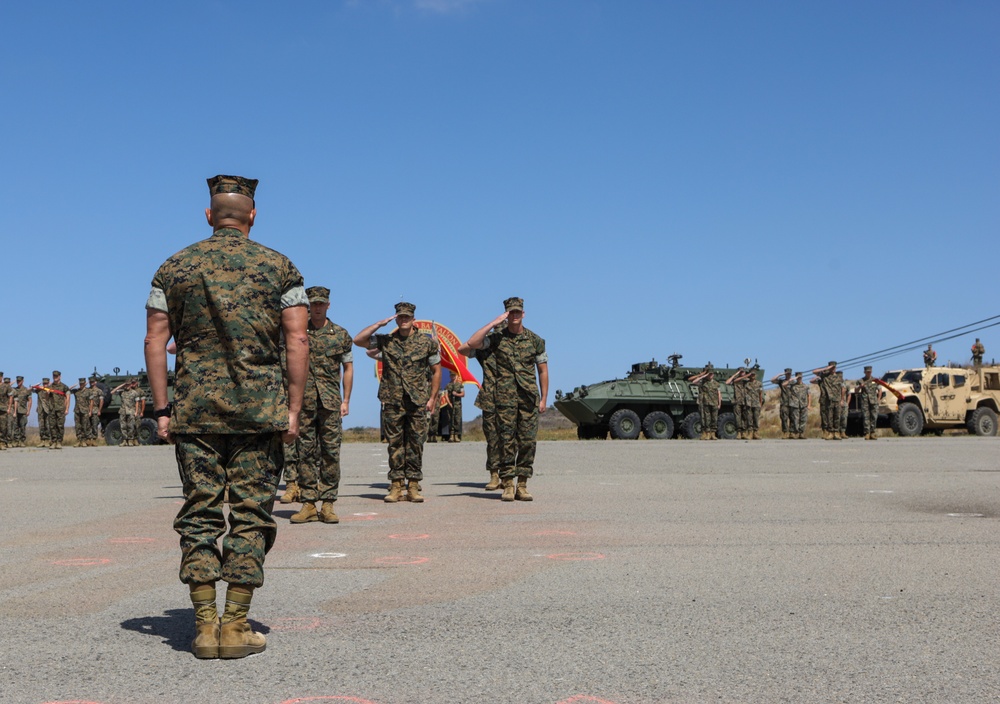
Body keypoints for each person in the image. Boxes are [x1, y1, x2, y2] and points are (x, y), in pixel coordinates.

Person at [144, 174, 309, 660]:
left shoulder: (173, 267)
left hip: (195, 412)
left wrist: (162, 410)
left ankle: (202, 625)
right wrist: (293, 409)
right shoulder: (280, 268)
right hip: (260, 413)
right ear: (252, 216)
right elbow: (297, 340)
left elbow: (155, 341)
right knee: (251, 514)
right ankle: (235, 626)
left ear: (209, 215)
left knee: (200, 515)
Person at [459, 297, 547, 501]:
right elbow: (469, 345)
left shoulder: (535, 340)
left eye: (518, 312)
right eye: (510, 313)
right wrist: (493, 323)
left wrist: (543, 399)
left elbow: (542, 370)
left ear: (523, 314)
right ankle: (507, 484)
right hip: (503, 399)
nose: (514, 316)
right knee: (505, 441)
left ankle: (522, 484)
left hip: (528, 398)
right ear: (506, 315)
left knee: (527, 442)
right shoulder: (495, 339)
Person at [354, 302, 441, 503]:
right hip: (392, 399)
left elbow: (436, 371)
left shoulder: (427, 343)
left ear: (413, 319)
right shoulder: (387, 340)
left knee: (416, 443)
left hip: (417, 400)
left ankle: (413, 485)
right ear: (396, 318)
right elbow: (358, 340)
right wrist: (379, 324)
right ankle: (396, 486)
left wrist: (433, 398)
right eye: (400, 317)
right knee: (395, 444)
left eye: (407, 317)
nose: (403, 320)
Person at [290, 286, 354, 525]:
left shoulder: (340, 335)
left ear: (328, 305)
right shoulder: (297, 332)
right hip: (302, 402)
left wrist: (346, 400)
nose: (317, 308)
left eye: (321, 303)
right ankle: (308, 502)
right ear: (308, 305)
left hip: (329, 402)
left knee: (330, 452)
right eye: (313, 304)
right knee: (304, 452)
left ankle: (328, 503)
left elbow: (348, 368)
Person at [688, 364, 720, 440]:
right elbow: (692, 380)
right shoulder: (702, 382)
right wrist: (702, 375)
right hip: (705, 402)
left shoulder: (716, 383)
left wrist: (719, 403)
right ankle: (705, 433)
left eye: (712, 374)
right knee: (705, 419)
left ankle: (713, 434)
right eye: (709, 374)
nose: (710, 375)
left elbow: (719, 394)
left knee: (714, 419)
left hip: (714, 403)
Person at [811, 361, 842, 440]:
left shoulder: (839, 377)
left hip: (837, 399)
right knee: (829, 417)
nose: (833, 369)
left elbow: (841, 389)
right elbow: (814, 371)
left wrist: (841, 399)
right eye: (831, 367)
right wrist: (826, 369)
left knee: (837, 416)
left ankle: (837, 432)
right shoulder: (824, 375)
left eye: (834, 367)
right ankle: (830, 433)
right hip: (829, 399)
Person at [46, 371, 71, 449]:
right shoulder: (50, 387)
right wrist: (47, 393)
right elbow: (46, 399)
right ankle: (53, 442)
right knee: (52, 426)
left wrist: (66, 408)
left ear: (60, 376)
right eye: (54, 376)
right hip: (52, 409)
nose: (55, 377)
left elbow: (68, 398)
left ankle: (59, 442)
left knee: (60, 426)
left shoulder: (64, 387)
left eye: (56, 376)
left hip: (60, 409)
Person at [857, 366, 882, 440]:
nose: (868, 373)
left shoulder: (875, 380)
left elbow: (880, 389)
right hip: (865, 401)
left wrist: (878, 399)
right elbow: (856, 391)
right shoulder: (861, 381)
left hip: (874, 401)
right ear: (864, 372)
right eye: (867, 372)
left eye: (870, 372)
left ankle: (873, 432)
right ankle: (867, 433)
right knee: (866, 417)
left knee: (874, 416)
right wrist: (860, 387)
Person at [771, 368, 794, 439]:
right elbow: (772, 380)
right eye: (787, 373)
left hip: (792, 402)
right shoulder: (781, 381)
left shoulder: (793, 382)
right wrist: (780, 374)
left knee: (793, 418)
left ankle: (791, 433)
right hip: (784, 402)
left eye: (789, 374)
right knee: (784, 418)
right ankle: (785, 432)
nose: (788, 375)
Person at [11, 376, 32, 447]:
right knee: (15, 426)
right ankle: (16, 441)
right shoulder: (14, 390)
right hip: (15, 411)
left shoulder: (26, 390)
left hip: (23, 411)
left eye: (20, 381)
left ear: (23, 381)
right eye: (17, 381)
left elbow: (30, 401)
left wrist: (28, 410)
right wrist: (11, 383)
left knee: (22, 426)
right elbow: (6, 387)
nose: (18, 382)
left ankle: (22, 441)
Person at [446, 370, 465, 442]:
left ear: (456, 376)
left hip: (457, 405)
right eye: (451, 375)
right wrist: (449, 403)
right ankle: (451, 435)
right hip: (450, 405)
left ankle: (456, 435)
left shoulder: (460, 385)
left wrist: (456, 394)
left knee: (457, 419)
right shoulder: (448, 385)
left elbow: (463, 394)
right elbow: (446, 395)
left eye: (454, 375)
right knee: (450, 419)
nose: (453, 377)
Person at [71, 378, 89, 447]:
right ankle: (79, 440)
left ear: (84, 383)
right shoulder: (76, 391)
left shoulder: (88, 391)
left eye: (82, 383)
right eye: (80, 383)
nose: (81, 385)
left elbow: (91, 402)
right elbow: (67, 390)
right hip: (77, 410)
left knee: (84, 426)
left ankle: (84, 441)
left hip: (85, 411)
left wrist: (90, 411)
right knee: (77, 426)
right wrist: (74, 386)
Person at [793, 372, 810, 439]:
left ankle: (801, 433)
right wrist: (793, 379)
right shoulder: (793, 386)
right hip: (795, 405)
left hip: (804, 405)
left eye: (800, 377)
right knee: (796, 420)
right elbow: (784, 384)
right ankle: (796, 433)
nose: (799, 379)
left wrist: (809, 404)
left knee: (803, 419)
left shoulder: (805, 386)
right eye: (798, 377)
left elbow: (809, 395)